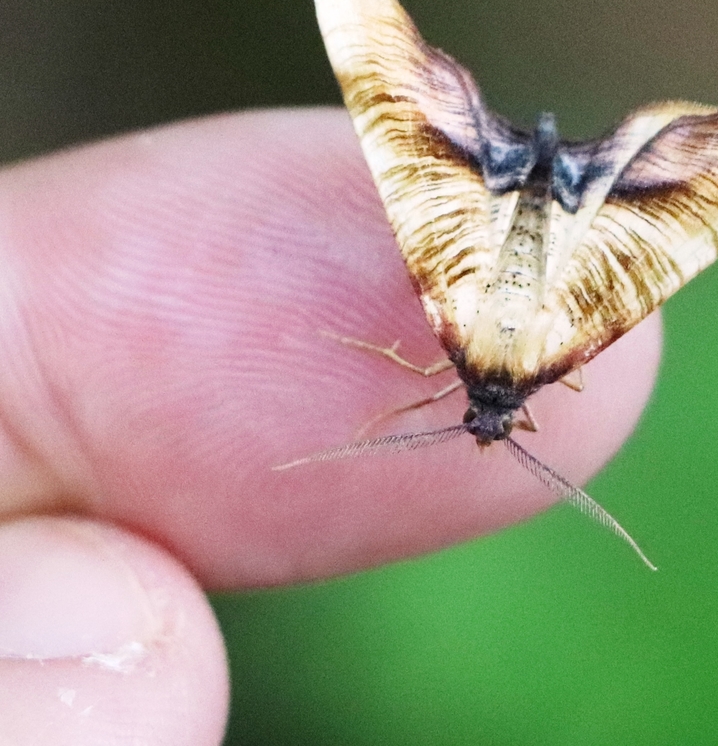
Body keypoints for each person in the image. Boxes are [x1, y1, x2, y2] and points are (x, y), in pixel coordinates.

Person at [0, 109, 659, 744]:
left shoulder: (495, 358)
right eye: (498, 425)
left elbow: (428, 367)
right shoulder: (546, 359)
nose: (487, 433)